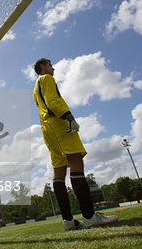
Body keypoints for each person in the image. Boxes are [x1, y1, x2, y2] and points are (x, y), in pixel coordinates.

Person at [33, 58, 118, 230]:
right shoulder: (46, 79)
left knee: (58, 170)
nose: (53, 68)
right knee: (76, 161)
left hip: (47, 129)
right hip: (58, 124)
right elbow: (52, 101)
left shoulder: (35, 89)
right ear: (43, 66)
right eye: (50, 65)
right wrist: (68, 116)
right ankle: (89, 216)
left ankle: (68, 221)